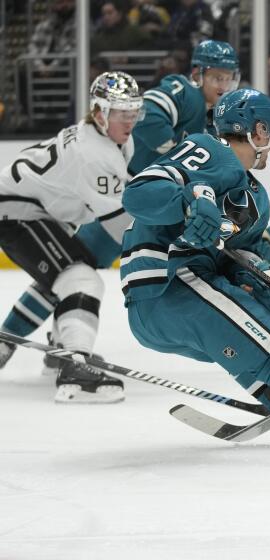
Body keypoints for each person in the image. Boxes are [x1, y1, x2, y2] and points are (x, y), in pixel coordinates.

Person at [120, 88, 270, 435]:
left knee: (248, 347)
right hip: (169, 283)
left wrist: (267, 280)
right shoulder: (208, 148)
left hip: (172, 307)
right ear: (257, 130)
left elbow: (238, 259)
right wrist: (188, 203)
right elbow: (139, 191)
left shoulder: (256, 197)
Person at [0, 71, 143, 403]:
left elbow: (127, 189)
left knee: (62, 279)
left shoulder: (111, 140)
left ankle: (28, 347)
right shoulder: (94, 154)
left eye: (134, 111)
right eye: (122, 112)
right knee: (82, 280)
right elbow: (124, 227)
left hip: (42, 213)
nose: (130, 120)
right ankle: (75, 369)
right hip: (18, 213)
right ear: (98, 112)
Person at [128, 39, 239, 175]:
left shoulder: (218, 112)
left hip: (169, 189)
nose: (224, 87)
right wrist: (174, 155)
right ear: (197, 75)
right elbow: (145, 113)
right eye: (218, 78)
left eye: (228, 79)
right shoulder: (186, 93)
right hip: (136, 183)